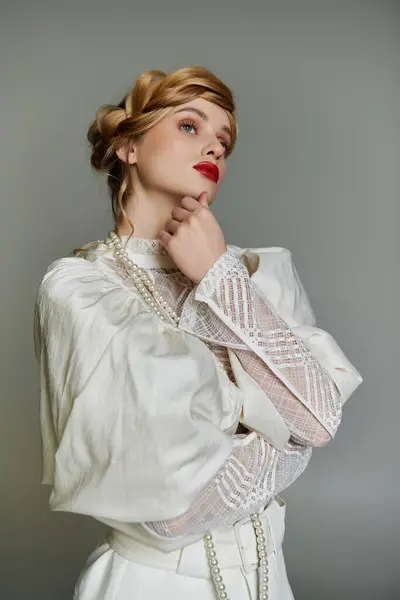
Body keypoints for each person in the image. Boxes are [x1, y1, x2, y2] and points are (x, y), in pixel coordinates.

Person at [34, 66, 363, 600]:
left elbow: (319, 419)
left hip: (268, 578)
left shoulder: (253, 272)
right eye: (190, 126)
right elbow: (172, 514)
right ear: (127, 147)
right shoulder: (82, 289)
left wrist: (219, 280)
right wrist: (283, 436)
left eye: (224, 142)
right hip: (153, 585)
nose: (214, 146)